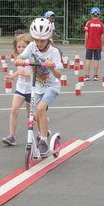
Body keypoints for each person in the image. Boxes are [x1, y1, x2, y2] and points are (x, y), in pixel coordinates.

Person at [16, 18, 62, 155]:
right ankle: (44, 130)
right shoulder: (31, 47)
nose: (39, 43)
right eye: (36, 40)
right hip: (36, 86)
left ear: (48, 38)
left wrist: (52, 66)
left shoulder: (54, 52)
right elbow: (21, 57)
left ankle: (43, 140)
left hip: (51, 87)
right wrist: (19, 60)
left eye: (42, 40)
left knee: (41, 108)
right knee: (34, 115)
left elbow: (59, 74)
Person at [2, 33, 33, 146]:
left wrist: (25, 73)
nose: (21, 49)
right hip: (20, 88)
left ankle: (43, 131)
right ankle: (11, 137)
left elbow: (35, 74)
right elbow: (19, 70)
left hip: (31, 89)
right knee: (14, 110)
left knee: (32, 116)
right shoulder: (19, 58)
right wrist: (12, 76)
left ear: (29, 47)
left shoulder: (32, 57)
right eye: (18, 47)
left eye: (23, 47)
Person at [84, 7, 104, 81]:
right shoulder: (101, 24)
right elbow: (102, 36)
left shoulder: (88, 23)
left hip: (89, 44)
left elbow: (86, 34)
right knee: (96, 60)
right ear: (99, 15)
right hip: (97, 45)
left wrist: (85, 43)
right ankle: (95, 75)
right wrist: (102, 45)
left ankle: (87, 75)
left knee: (88, 59)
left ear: (91, 15)